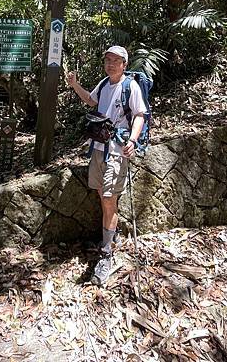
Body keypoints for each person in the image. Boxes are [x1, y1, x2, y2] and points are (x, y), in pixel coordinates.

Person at [67, 45, 147, 286]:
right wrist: (74, 84)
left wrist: (132, 140)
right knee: (103, 198)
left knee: (109, 200)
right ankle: (110, 236)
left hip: (116, 151)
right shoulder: (104, 84)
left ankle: (106, 252)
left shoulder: (129, 86)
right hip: (98, 150)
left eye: (115, 61)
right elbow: (91, 101)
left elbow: (140, 114)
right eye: (107, 60)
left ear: (124, 64)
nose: (110, 64)